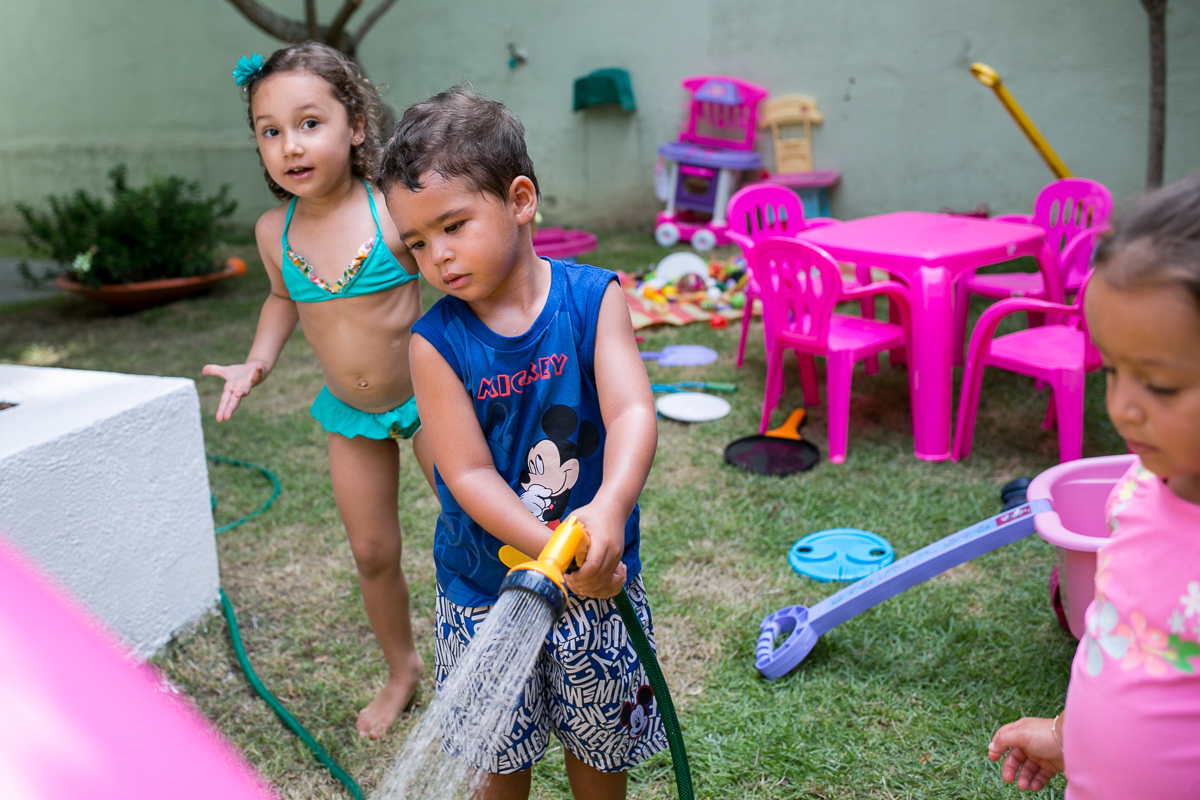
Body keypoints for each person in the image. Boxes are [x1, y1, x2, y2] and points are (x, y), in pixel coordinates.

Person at [379, 87, 667, 800]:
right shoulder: (435, 343)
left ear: (519, 199)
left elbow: (632, 411)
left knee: (602, 747)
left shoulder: (593, 299)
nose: (437, 256)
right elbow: (469, 474)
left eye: (452, 225)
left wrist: (605, 511)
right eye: (418, 242)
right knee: (495, 758)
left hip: (598, 580)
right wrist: (550, 546)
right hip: (484, 589)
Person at [202, 43, 434, 739]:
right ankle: (402, 670)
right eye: (270, 131)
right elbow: (280, 298)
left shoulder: (393, 210)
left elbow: (454, 276)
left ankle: (484, 647)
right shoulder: (275, 231)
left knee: (470, 527)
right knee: (371, 551)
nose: (290, 146)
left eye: (309, 123)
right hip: (351, 412)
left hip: (428, 402)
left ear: (356, 124)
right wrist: (256, 362)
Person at [987, 173, 1200, 797]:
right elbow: (1123, 637)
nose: (1125, 409)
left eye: (1158, 384)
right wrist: (1068, 732)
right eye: (1113, 371)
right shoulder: (1139, 484)